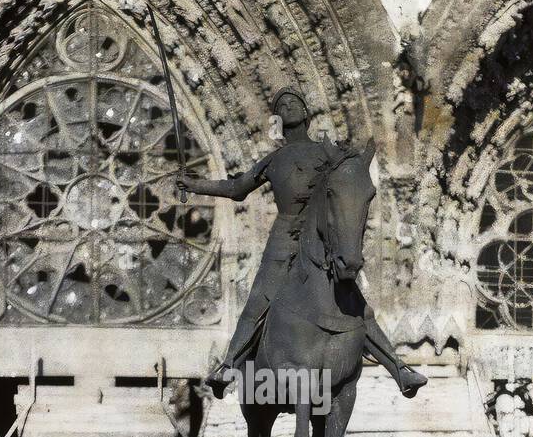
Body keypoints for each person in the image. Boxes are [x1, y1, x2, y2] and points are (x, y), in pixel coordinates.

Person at [179, 87, 426, 399]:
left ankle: (400, 369)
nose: (289, 106)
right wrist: (195, 184)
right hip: (283, 240)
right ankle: (228, 365)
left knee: (358, 307)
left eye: (295, 101)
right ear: (278, 119)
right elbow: (236, 188)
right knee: (258, 300)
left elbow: (350, 183)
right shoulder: (274, 160)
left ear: (307, 113)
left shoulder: (328, 152)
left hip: (322, 242)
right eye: (282, 104)